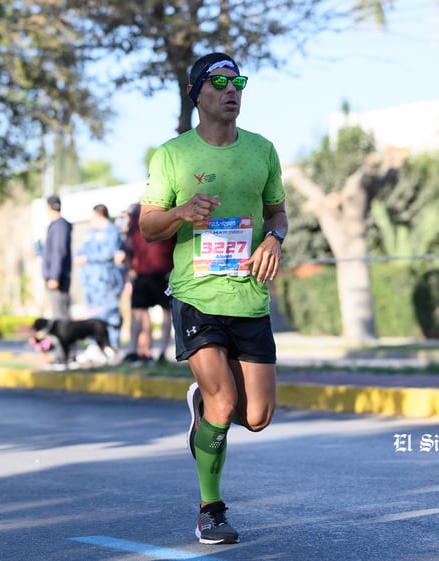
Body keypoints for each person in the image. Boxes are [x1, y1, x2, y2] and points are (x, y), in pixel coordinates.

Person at [138, 52, 287, 545]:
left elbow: (278, 215)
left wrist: (274, 240)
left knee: (257, 417)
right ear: (197, 93)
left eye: (238, 81)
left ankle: (202, 408)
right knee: (224, 402)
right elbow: (148, 226)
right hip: (196, 294)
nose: (232, 90)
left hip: (249, 296)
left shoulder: (262, 150)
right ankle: (211, 509)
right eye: (220, 82)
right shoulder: (171, 155)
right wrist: (181, 211)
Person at [122, 203, 177, 365]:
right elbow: (129, 243)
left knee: (167, 311)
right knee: (138, 311)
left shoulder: (170, 207)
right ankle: (135, 350)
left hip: (164, 271)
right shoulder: (137, 211)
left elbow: (176, 241)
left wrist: (174, 268)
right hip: (142, 271)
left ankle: (162, 352)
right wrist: (130, 268)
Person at [74, 204, 124, 361]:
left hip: (105, 281)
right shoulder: (91, 233)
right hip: (90, 283)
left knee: (108, 315)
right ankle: (95, 346)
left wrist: (88, 257)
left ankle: (111, 347)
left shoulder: (112, 231)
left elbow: (108, 253)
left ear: (99, 215)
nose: (90, 220)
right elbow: (80, 251)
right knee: (93, 316)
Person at [42, 195, 72, 321]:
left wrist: (54, 277)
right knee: (58, 314)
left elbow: (59, 252)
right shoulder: (56, 226)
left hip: (58, 279)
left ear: (48, 207)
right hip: (56, 277)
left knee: (61, 318)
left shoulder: (59, 226)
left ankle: (67, 341)